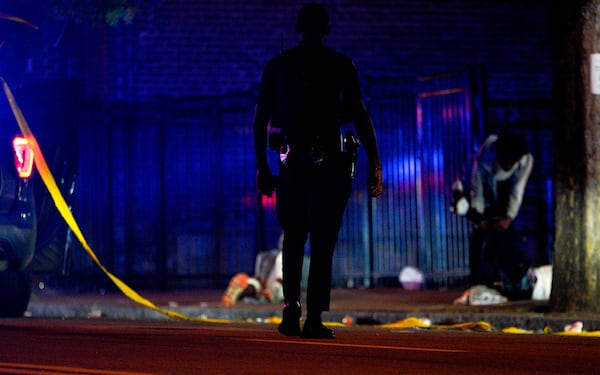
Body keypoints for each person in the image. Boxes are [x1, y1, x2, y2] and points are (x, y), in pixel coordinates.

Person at [252, 3, 383, 339]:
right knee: (323, 242)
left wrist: (262, 168)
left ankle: (291, 308)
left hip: (291, 160)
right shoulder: (339, 65)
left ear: (298, 28)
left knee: (294, 237)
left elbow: (260, 120)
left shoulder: (278, 66)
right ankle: (313, 317)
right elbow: (360, 114)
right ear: (326, 29)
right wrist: (375, 162)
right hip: (328, 161)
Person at [465, 133, 534, 297]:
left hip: (505, 199)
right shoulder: (484, 158)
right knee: (482, 238)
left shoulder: (525, 161)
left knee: (505, 238)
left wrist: (509, 217)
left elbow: (518, 189)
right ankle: (480, 284)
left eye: (511, 162)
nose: (508, 165)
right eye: (506, 161)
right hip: (484, 196)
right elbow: (477, 189)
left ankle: (514, 281)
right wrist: (479, 218)